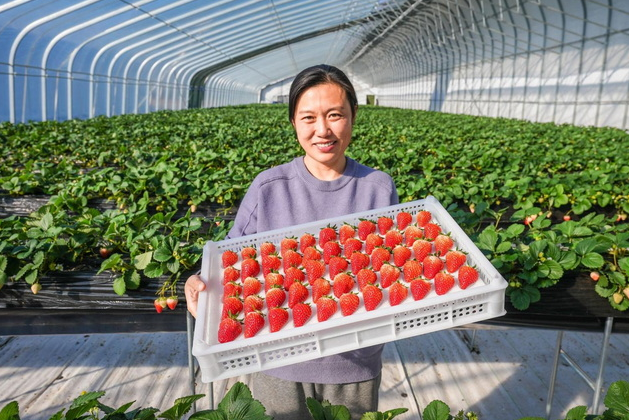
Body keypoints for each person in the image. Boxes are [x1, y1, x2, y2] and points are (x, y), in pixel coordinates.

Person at [185, 64, 398, 419]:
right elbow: (232, 256)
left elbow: (392, 264)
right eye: (308, 117)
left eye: (335, 115)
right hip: (278, 358)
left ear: (353, 116)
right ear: (294, 122)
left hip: (354, 362)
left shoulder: (377, 187)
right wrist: (198, 278)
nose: (323, 130)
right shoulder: (269, 188)